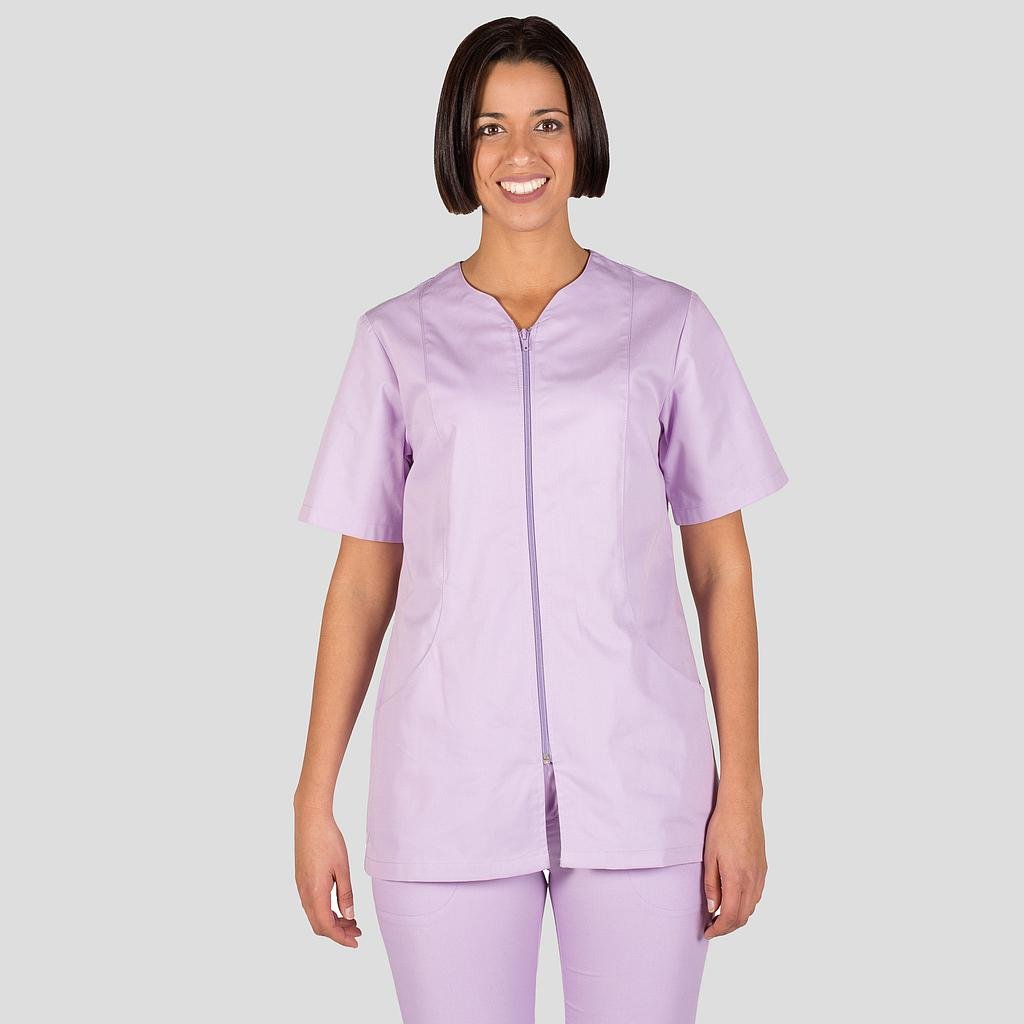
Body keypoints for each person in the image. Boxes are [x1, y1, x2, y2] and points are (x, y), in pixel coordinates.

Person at [293, 15, 789, 1024]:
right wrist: (313, 796)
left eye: (547, 123)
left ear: (582, 136)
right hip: (443, 787)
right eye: (491, 127)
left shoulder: (667, 323)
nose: (520, 153)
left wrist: (741, 791)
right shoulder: (396, 339)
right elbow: (362, 578)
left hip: (644, 784)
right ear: (459, 146)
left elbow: (722, 571)